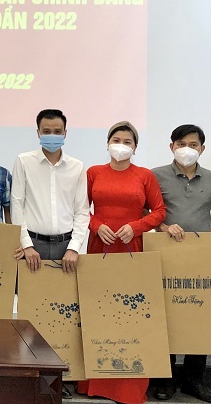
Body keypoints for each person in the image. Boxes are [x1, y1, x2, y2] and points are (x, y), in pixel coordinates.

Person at [77, 120, 166, 404]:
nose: (121, 146)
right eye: (116, 140)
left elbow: (159, 211)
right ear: (107, 144)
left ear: (135, 148)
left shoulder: (144, 175)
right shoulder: (93, 173)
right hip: (99, 248)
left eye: (127, 142)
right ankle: (93, 381)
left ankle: (128, 385)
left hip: (132, 250)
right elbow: (80, 209)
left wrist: (137, 226)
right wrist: (96, 225)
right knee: (98, 312)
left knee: (131, 314)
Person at [149, 124, 211, 403]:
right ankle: (165, 379)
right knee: (167, 314)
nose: (186, 149)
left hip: (200, 256)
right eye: (181, 144)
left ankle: (194, 380)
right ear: (171, 147)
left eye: (193, 145)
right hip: (165, 254)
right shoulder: (155, 176)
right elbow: (147, 211)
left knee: (199, 315)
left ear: (202, 149)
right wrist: (163, 227)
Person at [11, 109, 88, 274]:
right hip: (32, 246)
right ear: (38, 133)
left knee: (65, 292)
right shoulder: (24, 161)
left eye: (57, 132)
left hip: (66, 247)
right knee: (29, 291)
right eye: (46, 131)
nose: (52, 135)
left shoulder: (77, 167)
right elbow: (16, 205)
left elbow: (81, 211)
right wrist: (26, 245)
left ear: (65, 133)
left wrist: (74, 248)